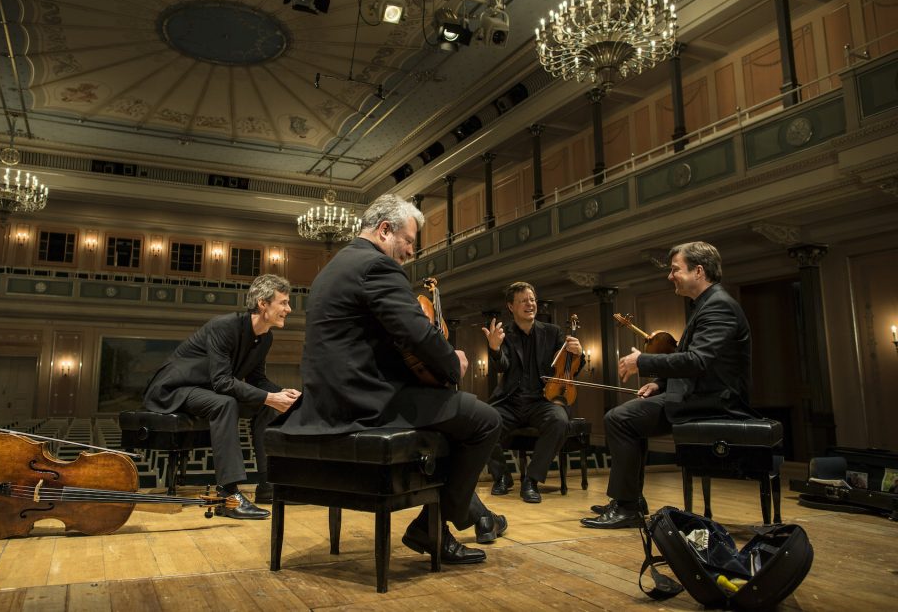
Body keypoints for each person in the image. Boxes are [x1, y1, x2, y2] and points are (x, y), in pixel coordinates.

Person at [278, 193, 507, 564]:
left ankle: (451, 521)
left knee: (452, 418)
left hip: (326, 402)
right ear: (385, 230)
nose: (410, 251)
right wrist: (453, 362)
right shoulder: (376, 267)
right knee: (484, 420)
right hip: (364, 402)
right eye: (409, 241)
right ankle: (436, 524)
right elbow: (417, 333)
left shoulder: (333, 268)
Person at [581, 241, 755, 529]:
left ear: (698, 271)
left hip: (712, 402)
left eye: (675, 269)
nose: (669, 275)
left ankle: (627, 506)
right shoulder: (707, 304)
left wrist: (643, 362)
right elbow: (694, 360)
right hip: (696, 394)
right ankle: (630, 500)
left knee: (619, 418)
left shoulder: (719, 306)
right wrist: (660, 385)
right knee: (625, 418)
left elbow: (698, 361)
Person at [142, 274, 300, 520]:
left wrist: (281, 394)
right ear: (262, 303)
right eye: (283, 303)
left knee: (265, 407)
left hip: (208, 390)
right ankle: (228, 495)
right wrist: (269, 396)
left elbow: (258, 381)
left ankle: (268, 486)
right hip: (175, 389)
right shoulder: (224, 326)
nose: (288, 309)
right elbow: (223, 382)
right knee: (226, 402)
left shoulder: (265, 337)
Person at [481, 282, 582, 503]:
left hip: (543, 401)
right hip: (511, 401)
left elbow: (568, 368)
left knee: (559, 420)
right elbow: (503, 366)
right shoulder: (503, 333)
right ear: (511, 306)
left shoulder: (553, 332)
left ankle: (531, 480)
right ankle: (502, 477)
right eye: (523, 300)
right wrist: (495, 350)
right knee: (482, 422)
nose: (530, 304)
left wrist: (578, 354)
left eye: (532, 299)